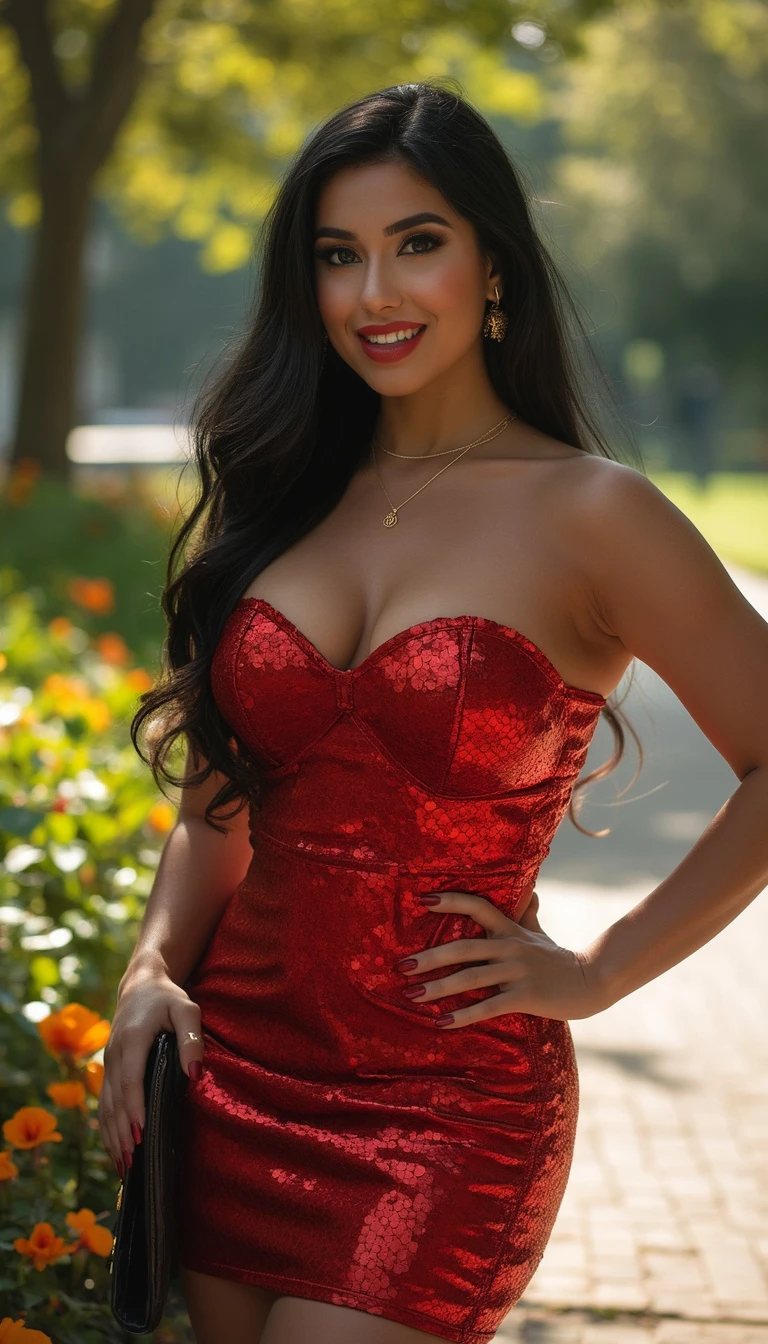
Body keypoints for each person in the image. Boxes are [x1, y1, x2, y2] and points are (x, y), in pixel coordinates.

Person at [99, 83, 768, 1344]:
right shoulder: (287, 490)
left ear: (493, 265)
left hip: (447, 1107)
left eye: (418, 244)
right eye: (338, 257)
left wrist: (605, 967)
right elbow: (218, 810)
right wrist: (148, 972)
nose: (375, 296)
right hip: (233, 1075)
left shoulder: (593, 513)